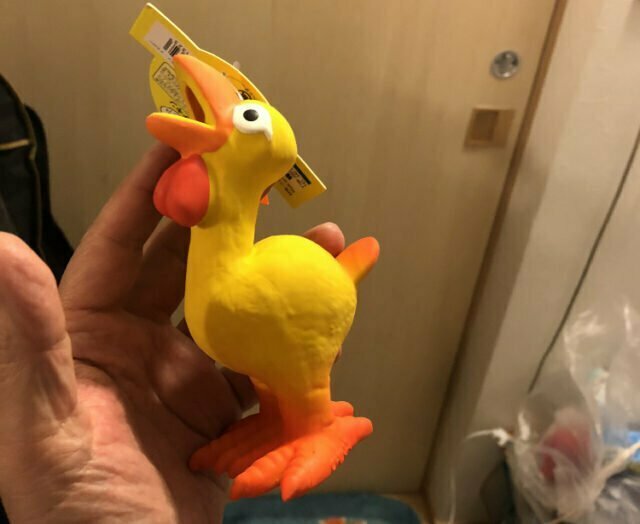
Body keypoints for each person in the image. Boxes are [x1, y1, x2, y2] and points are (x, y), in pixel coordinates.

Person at [0, 144, 346, 523]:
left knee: (290, 358)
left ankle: (317, 424)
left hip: (309, 303)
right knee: (259, 355)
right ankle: (276, 417)